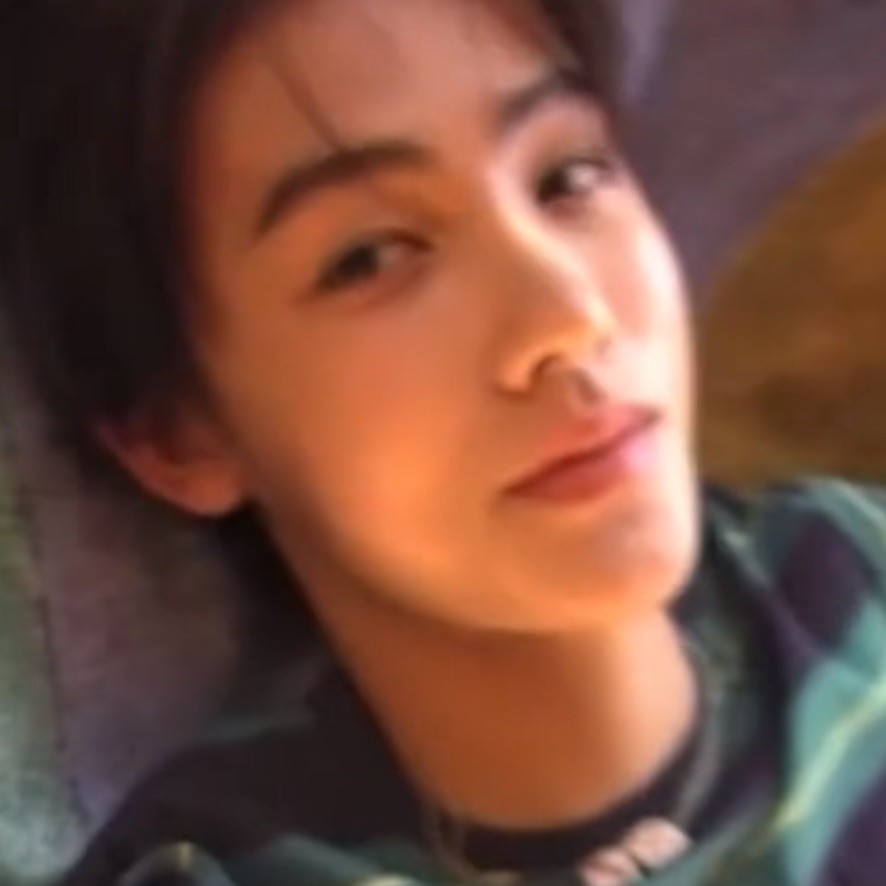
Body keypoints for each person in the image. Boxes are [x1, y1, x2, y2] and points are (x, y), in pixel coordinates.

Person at [1, 0, 885, 883]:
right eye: (372, 257)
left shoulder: (856, 567)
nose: (569, 316)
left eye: (568, 176)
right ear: (178, 434)